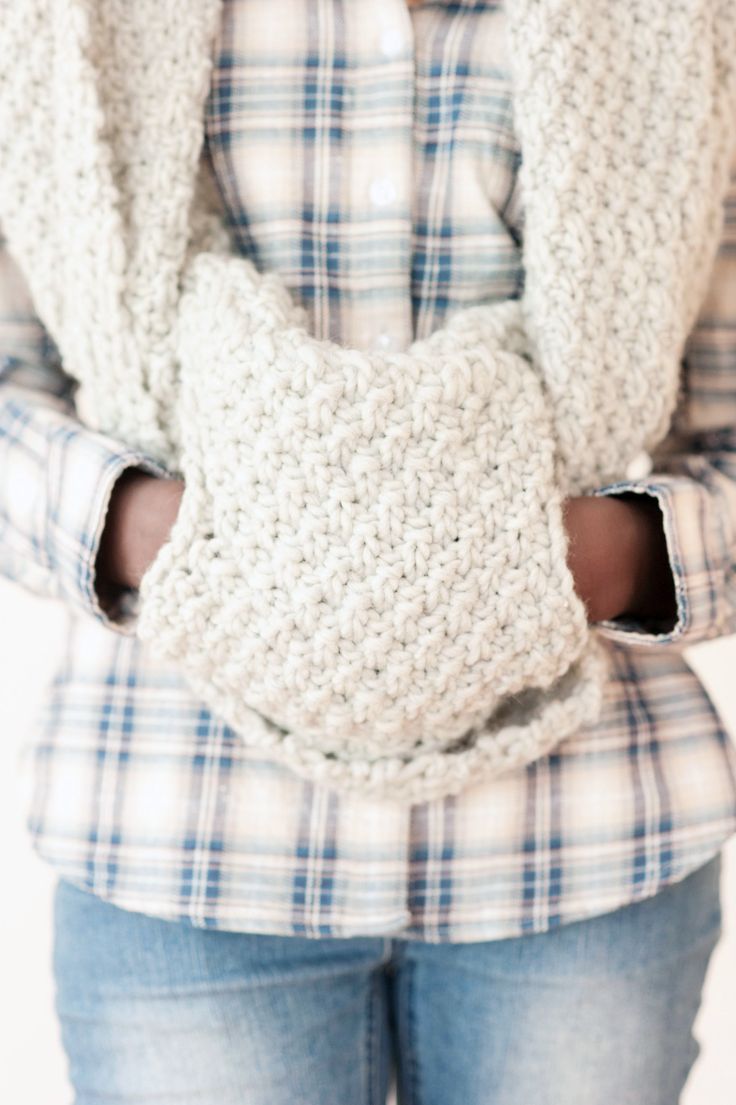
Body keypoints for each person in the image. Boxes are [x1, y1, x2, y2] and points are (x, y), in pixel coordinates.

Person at [1, 1, 735, 1102]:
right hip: (183, 841)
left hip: (583, 852)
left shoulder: (682, 27)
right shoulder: (67, 23)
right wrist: (152, 536)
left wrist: (573, 559)